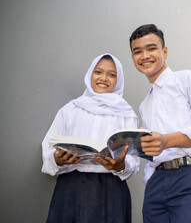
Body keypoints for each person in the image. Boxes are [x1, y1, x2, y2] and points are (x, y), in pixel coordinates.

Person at [129, 24, 191, 223]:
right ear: (133, 58)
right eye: (138, 51)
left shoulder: (187, 79)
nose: (144, 55)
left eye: (151, 48)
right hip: (156, 183)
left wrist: (166, 140)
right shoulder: (144, 104)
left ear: (165, 51)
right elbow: (154, 150)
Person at [41, 53, 139, 223]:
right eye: (98, 72)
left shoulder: (127, 114)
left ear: (119, 79)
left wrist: (120, 164)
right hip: (70, 188)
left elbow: (133, 160)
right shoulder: (70, 109)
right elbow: (48, 148)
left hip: (111, 190)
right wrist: (58, 160)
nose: (104, 78)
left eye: (112, 74)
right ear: (90, 74)